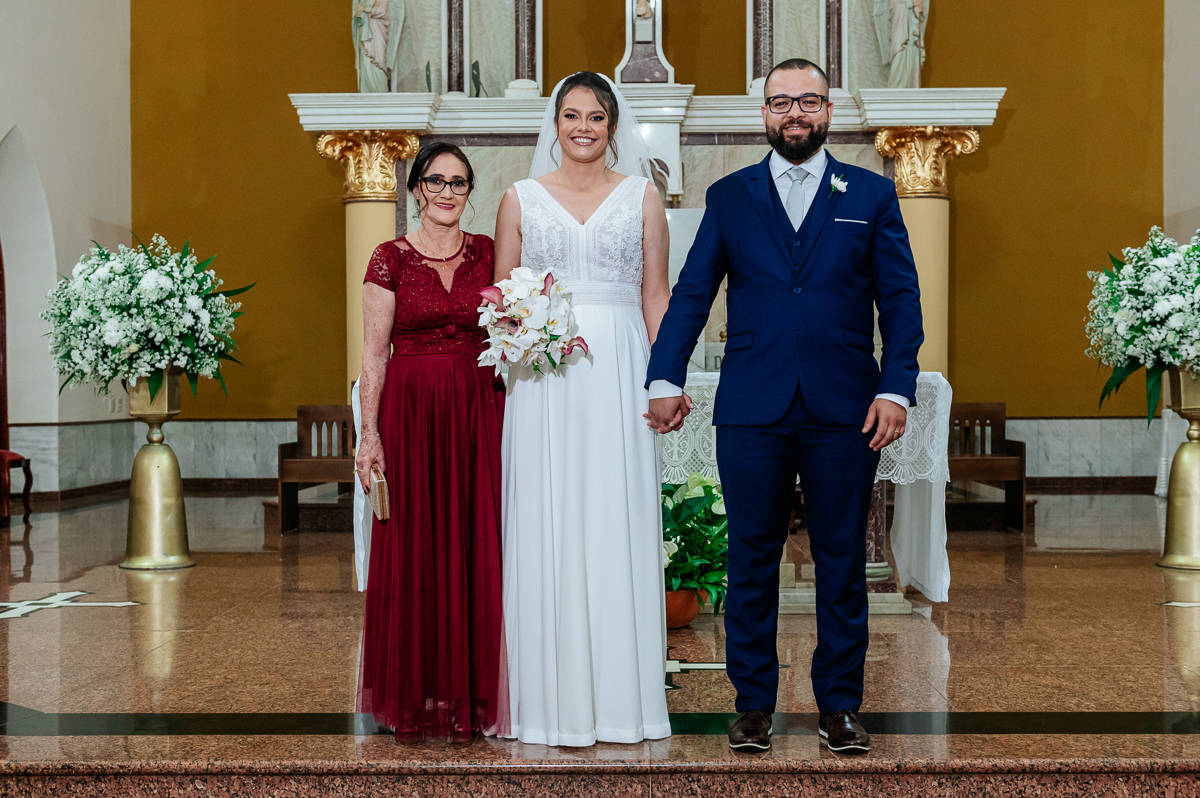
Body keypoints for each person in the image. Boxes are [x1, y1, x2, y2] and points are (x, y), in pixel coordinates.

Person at [645, 58, 923, 754]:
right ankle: (752, 704)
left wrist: (895, 386)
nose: (793, 113)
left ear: (828, 111)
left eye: (807, 101)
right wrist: (663, 377)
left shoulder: (870, 193)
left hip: (845, 407)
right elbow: (691, 293)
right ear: (763, 113)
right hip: (753, 406)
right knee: (752, 560)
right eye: (780, 103)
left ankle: (839, 706)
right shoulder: (731, 195)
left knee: (840, 561)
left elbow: (901, 298)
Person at [492, 71, 677, 746]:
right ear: (556, 122)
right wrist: (521, 337)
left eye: (595, 117)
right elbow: (502, 300)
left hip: (622, 368)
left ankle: (621, 703)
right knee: (546, 516)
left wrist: (666, 377)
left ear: (612, 125)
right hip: (544, 380)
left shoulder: (642, 197)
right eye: (571, 115)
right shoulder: (519, 200)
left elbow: (656, 295)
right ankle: (544, 702)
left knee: (612, 514)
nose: (583, 127)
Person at [355, 142, 506, 742]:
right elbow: (373, 352)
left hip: (478, 409)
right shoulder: (388, 257)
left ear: (471, 192)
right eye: (436, 181)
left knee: (477, 540)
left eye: (460, 183)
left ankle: (476, 690)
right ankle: (414, 692)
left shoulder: (491, 254)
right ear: (417, 188)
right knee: (416, 543)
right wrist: (370, 435)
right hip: (412, 412)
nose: (447, 192)